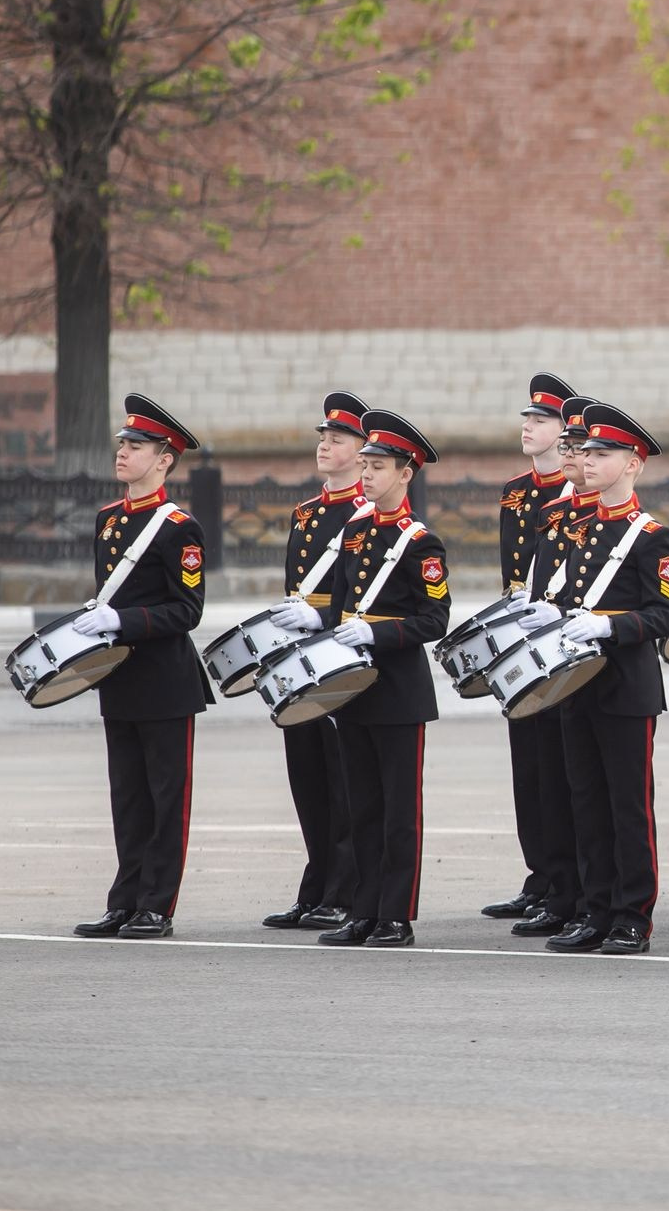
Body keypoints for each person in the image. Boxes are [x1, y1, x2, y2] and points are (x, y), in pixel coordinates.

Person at [518, 400, 669, 955]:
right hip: (575, 684)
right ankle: (594, 907)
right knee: (584, 800)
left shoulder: (652, 536)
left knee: (628, 805)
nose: (588, 460)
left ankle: (632, 915)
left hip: (625, 688)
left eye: (602, 452)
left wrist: (608, 627)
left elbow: (663, 615)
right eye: (587, 451)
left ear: (633, 463)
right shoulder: (575, 527)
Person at [70, 395, 211, 941]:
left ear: (165, 460)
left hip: (165, 682)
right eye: (123, 443)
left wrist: (121, 622)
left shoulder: (178, 528)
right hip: (119, 679)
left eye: (137, 446)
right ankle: (123, 899)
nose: (123, 452)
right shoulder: (108, 521)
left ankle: (157, 904)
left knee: (164, 798)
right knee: (126, 797)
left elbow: (186, 611)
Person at [311, 410, 451, 949]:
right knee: (361, 805)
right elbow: (344, 608)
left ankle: (396, 913)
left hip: (398, 692)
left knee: (398, 810)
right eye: (364, 463)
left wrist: (373, 634)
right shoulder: (353, 533)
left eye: (378, 465)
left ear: (406, 473)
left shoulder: (421, 543)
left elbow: (434, 621)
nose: (366, 474)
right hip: (354, 692)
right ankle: (363, 908)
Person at [258, 389, 368, 933]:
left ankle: (344, 891)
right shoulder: (307, 512)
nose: (326, 446)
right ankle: (317, 883)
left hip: (341, 658)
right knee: (307, 779)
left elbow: (366, 598)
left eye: (339, 439)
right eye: (324, 437)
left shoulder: (370, 516)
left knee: (342, 782)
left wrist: (320, 622)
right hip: (301, 662)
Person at [482, 372, 578, 932]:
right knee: (528, 765)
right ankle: (539, 874)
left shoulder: (572, 498)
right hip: (520, 632)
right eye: (527, 418)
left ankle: (562, 880)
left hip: (556, 639)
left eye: (540, 420)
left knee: (557, 767)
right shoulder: (516, 490)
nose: (528, 427)